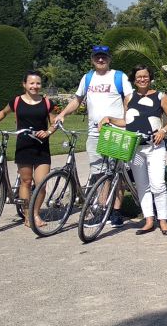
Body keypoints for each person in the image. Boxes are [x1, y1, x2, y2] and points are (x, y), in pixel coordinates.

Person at [56, 45, 133, 227]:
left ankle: (116, 212)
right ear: (92, 59)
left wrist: (127, 119)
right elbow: (77, 99)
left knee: (116, 172)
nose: (100, 60)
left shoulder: (118, 76)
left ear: (109, 59)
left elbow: (129, 98)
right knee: (99, 172)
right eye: (97, 57)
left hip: (116, 131)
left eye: (104, 57)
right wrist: (63, 114)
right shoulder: (88, 77)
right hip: (94, 132)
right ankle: (101, 209)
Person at [99, 65, 167, 235]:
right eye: (139, 77)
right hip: (135, 148)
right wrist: (110, 119)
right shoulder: (128, 98)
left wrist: (163, 131)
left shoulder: (161, 97)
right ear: (134, 80)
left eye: (145, 76)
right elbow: (128, 122)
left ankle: (163, 220)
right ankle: (149, 220)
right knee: (142, 185)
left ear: (150, 77)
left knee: (158, 184)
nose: (142, 79)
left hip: (154, 147)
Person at [0, 70, 56, 228]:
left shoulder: (47, 102)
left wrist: (48, 131)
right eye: (31, 83)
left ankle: (35, 213)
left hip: (41, 147)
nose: (35, 86)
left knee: (41, 184)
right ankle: (27, 215)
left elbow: (54, 122)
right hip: (23, 146)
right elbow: (3, 113)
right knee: (26, 181)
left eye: (38, 83)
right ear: (24, 84)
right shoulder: (16, 101)